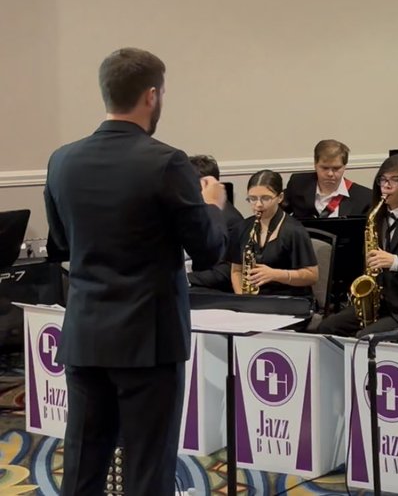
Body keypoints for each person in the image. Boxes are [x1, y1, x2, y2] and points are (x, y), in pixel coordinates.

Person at [43, 47, 229, 495]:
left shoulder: (61, 160)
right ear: (151, 96)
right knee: (148, 468)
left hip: (86, 334)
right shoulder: (166, 162)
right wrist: (214, 208)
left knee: (83, 466)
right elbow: (207, 251)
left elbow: (62, 246)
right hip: (148, 341)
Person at [318, 156, 398, 337]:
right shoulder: (377, 215)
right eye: (383, 179)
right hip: (379, 301)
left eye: (395, 180)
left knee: (364, 338)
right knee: (327, 328)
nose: (386, 185)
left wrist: (394, 262)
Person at [230, 170, 319, 299]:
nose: (258, 205)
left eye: (266, 198)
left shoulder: (295, 231)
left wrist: (275, 275)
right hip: (256, 302)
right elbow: (236, 271)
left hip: (289, 300)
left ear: (280, 197)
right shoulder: (242, 228)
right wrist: (244, 299)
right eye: (252, 199)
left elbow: (312, 276)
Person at [186, 154, 242, 290]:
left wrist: (183, 279)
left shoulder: (231, 221)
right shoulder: (192, 209)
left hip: (205, 290)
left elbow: (224, 272)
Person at [282, 139, 373, 219]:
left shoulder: (364, 197)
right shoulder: (298, 184)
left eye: (336, 168)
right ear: (315, 164)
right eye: (324, 168)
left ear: (344, 166)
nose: (330, 174)